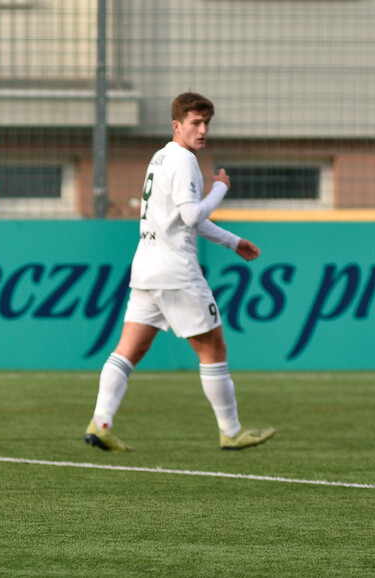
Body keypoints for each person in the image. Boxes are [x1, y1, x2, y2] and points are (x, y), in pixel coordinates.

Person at [84, 91, 275, 452]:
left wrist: (234, 242)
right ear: (177, 125)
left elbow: (182, 220)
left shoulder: (159, 158)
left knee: (127, 351)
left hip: (145, 269)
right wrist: (220, 187)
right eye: (195, 123)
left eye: (206, 124)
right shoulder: (184, 160)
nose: (202, 130)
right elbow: (191, 216)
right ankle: (231, 430)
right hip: (176, 272)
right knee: (214, 349)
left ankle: (101, 421)